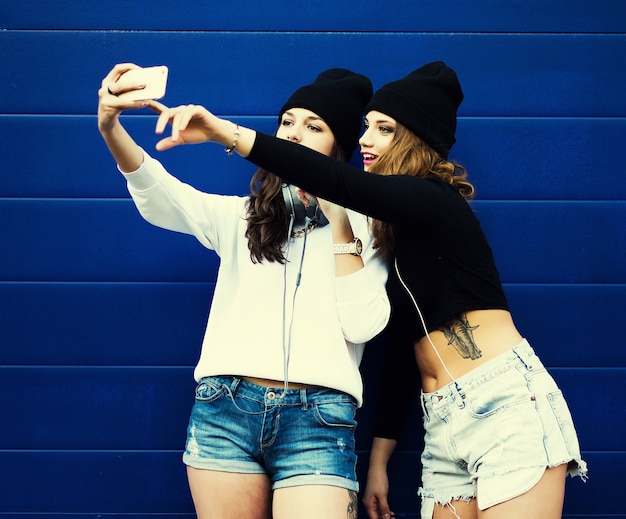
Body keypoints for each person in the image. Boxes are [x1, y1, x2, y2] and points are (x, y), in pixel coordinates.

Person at [144, 60, 588, 519]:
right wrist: (379, 462)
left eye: (383, 129)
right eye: (365, 127)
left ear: (416, 140)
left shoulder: (433, 199)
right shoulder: (387, 233)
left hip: (503, 402)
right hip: (441, 415)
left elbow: (336, 181)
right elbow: (401, 352)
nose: (365, 140)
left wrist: (225, 133)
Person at [97, 63, 390, 519]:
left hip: (320, 419)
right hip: (225, 411)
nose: (293, 134)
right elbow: (158, 191)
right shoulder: (241, 218)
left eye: (314, 126)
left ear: (340, 147)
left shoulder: (368, 228)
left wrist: (338, 219)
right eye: (287, 122)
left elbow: (363, 324)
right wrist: (109, 125)